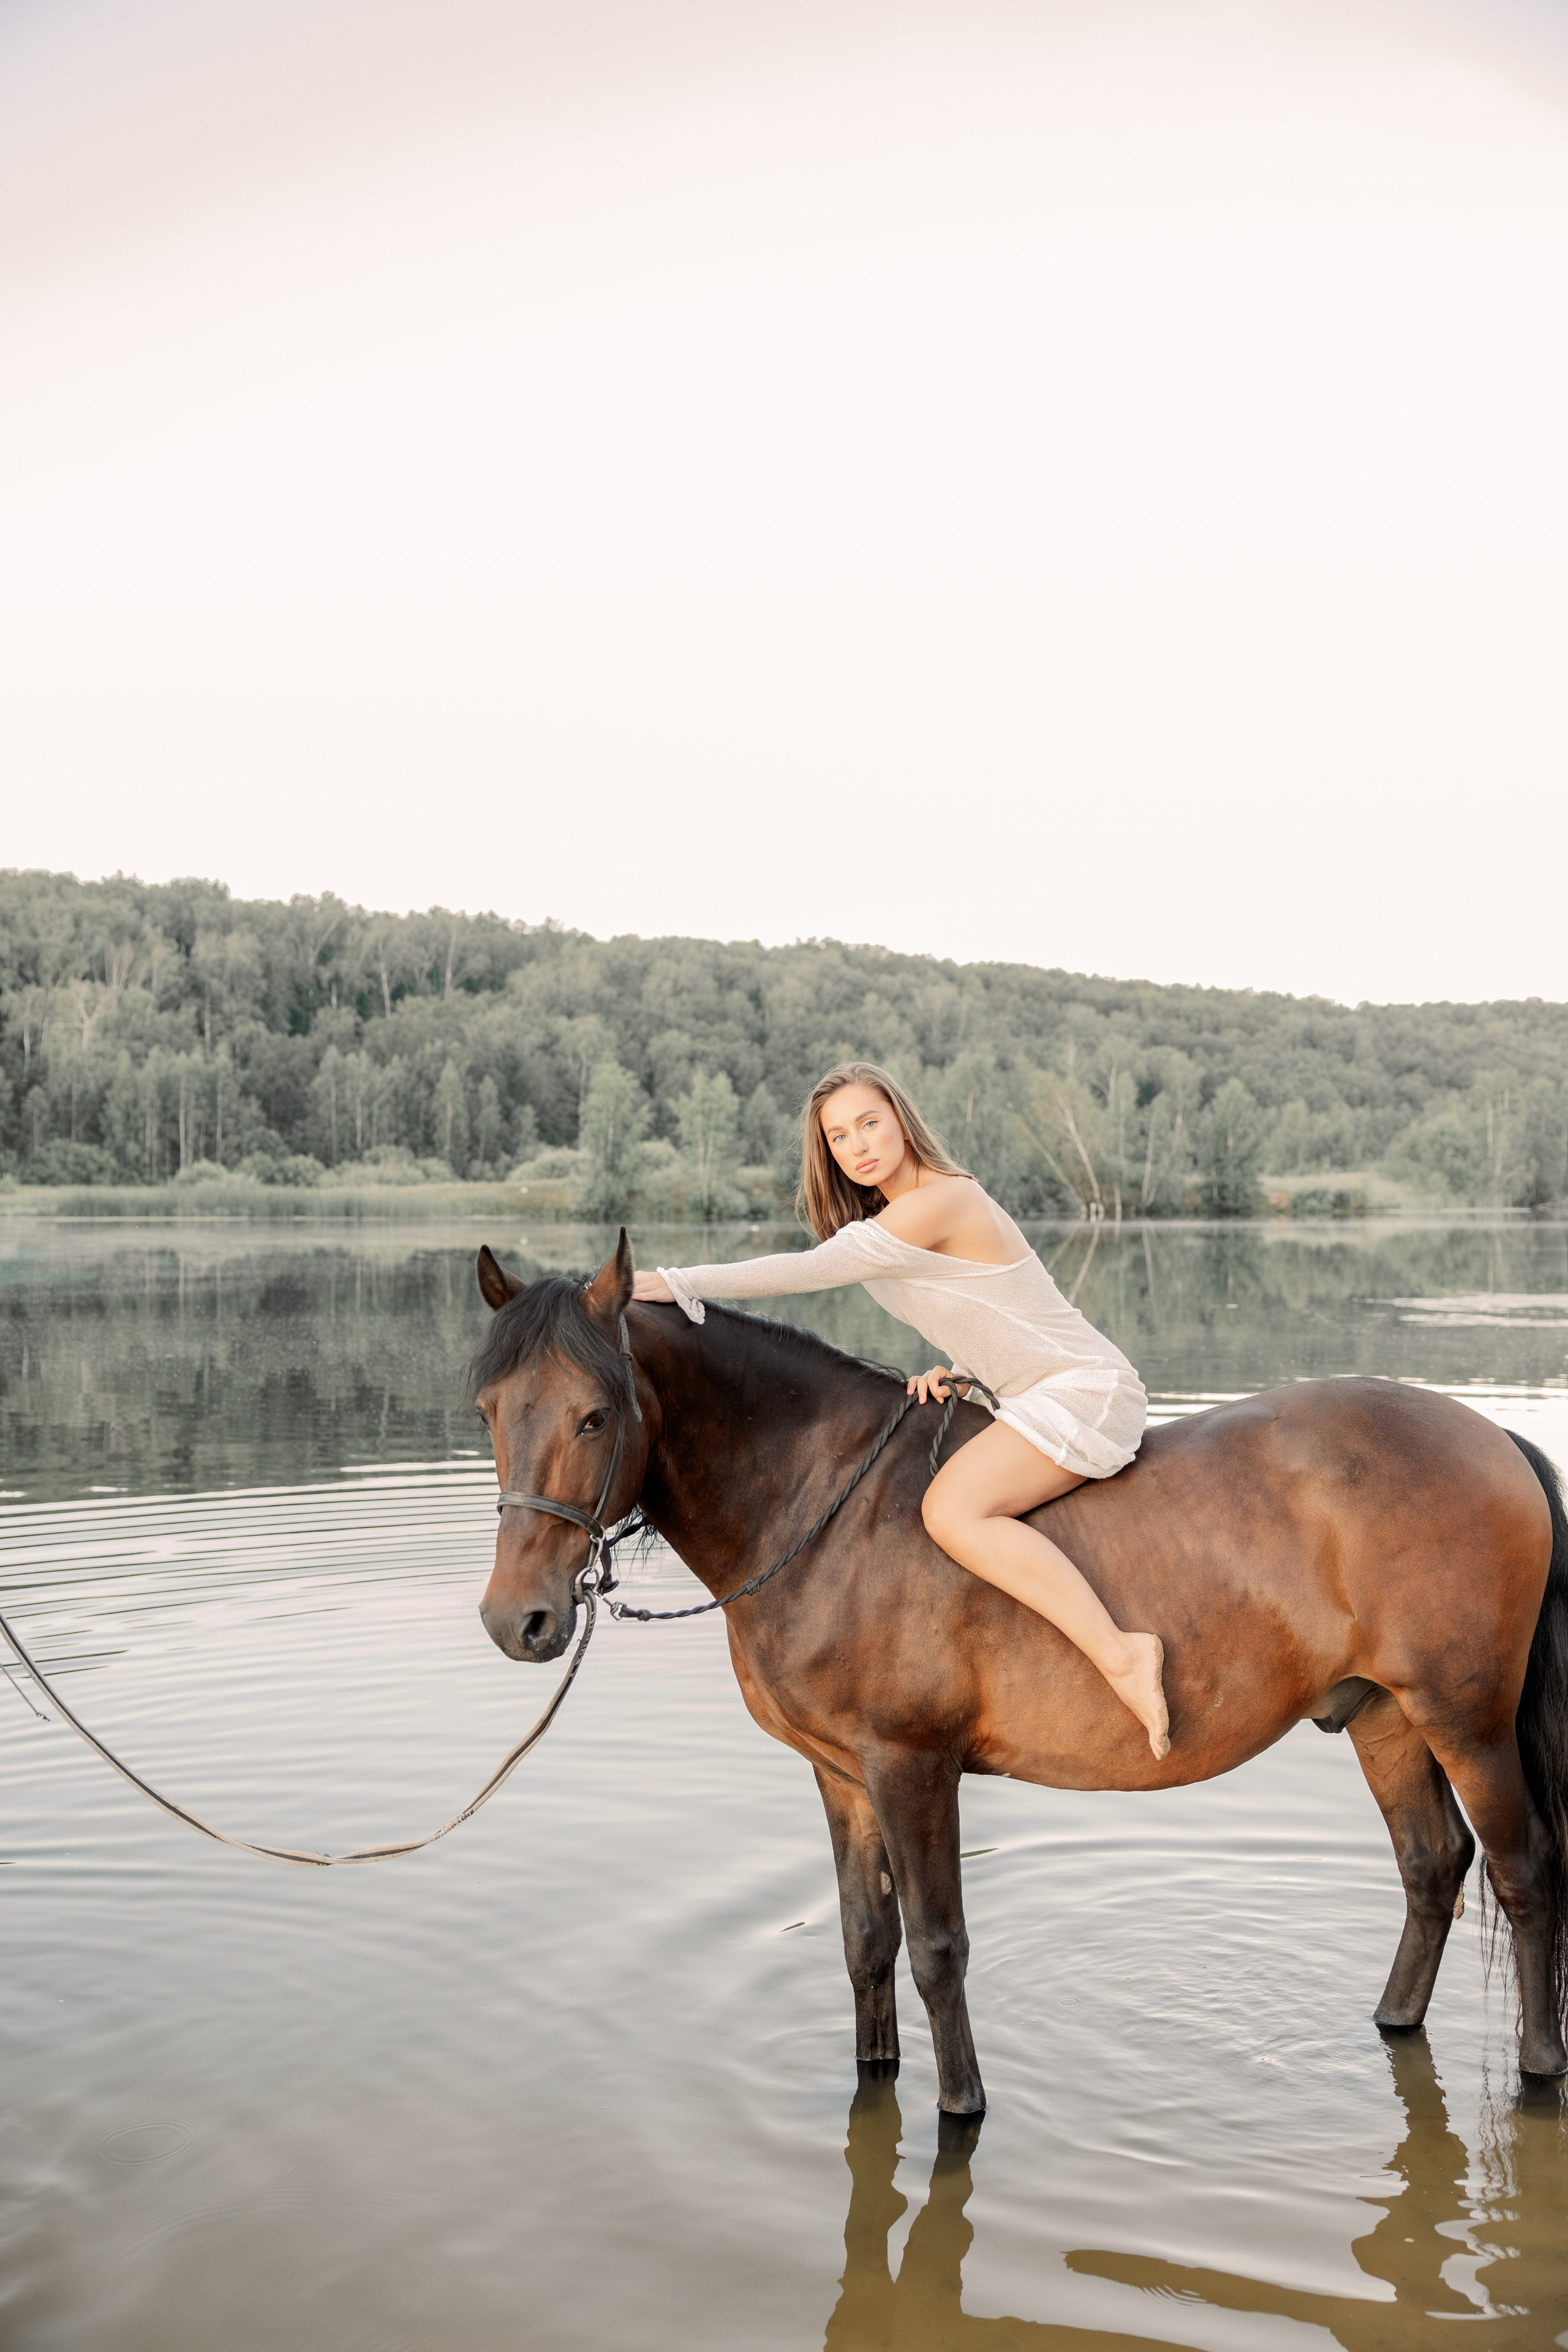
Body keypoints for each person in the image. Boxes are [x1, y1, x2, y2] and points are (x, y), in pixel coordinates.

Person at [631, 1061, 1169, 1758]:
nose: (858, 1145)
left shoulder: (943, 1199)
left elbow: (812, 1268)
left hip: (1085, 1389)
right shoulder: (897, 1215)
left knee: (950, 1511)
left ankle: (1121, 1653)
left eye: (869, 1122)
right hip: (1035, 1390)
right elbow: (1005, 1306)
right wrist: (967, 1371)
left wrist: (679, 1283)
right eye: (839, 1137)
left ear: (901, 1121)